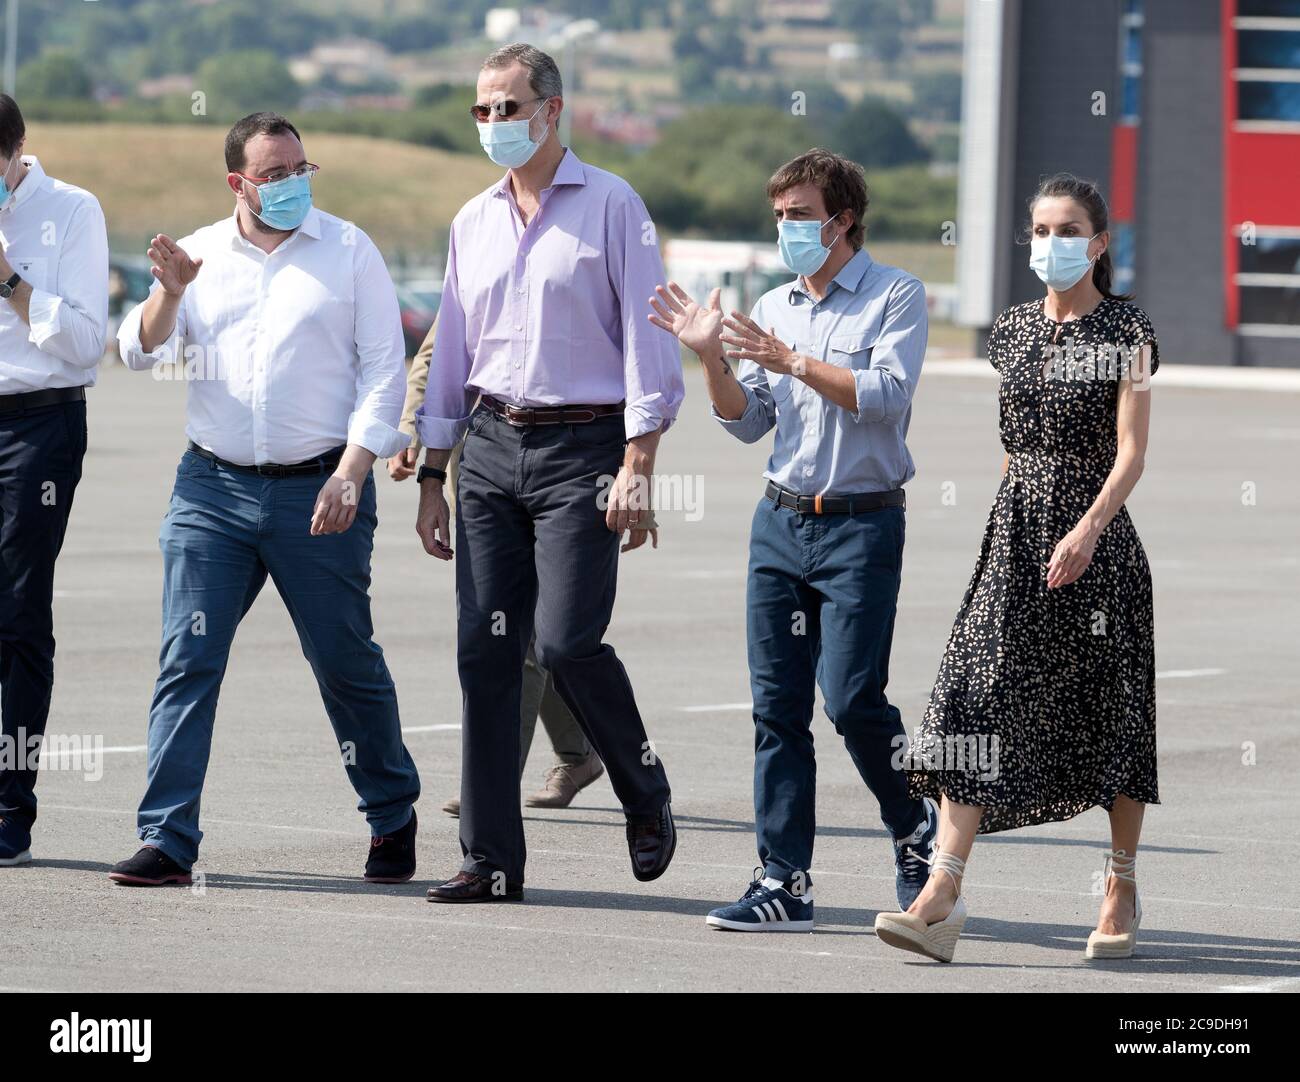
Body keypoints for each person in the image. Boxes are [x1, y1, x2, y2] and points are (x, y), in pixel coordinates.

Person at [110, 112, 420, 887]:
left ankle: (391, 814)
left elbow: (386, 372)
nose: (291, 184)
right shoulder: (200, 254)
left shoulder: (349, 251)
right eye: (273, 174)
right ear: (237, 182)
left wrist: (351, 471)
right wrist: (170, 296)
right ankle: (167, 838)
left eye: (300, 169)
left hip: (321, 487)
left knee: (344, 661)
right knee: (189, 657)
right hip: (210, 490)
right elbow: (136, 352)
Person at [415, 44, 683, 903]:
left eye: (509, 107)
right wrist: (431, 472)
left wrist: (639, 459)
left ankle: (643, 785)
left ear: (552, 110)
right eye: (482, 110)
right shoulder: (471, 221)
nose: (494, 122)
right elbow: (452, 351)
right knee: (486, 654)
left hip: (585, 448)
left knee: (566, 642)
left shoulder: (613, 206)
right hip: (489, 446)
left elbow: (649, 338)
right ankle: (489, 858)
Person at [875, 173, 1159, 963]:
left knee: (1113, 712)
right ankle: (941, 892)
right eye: (1039, 230)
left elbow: (1131, 453)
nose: (1050, 243)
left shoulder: (1128, 332)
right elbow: (1014, 445)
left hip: (1097, 547)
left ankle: (1121, 884)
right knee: (972, 695)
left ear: (1099, 243)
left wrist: (1088, 528)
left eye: (1068, 230)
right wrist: (1016, 527)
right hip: (1015, 539)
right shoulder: (1010, 332)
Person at [650, 148, 937, 932]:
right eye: (779, 216)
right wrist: (710, 358)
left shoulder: (895, 295)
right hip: (780, 522)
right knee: (777, 709)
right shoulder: (773, 305)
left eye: (802, 215)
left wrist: (793, 361)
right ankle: (785, 880)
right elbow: (747, 422)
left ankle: (913, 823)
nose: (788, 229)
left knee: (851, 698)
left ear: (843, 220)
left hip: (863, 524)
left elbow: (885, 395)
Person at [390, 320, 612, 815]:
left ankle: (491, 781)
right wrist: (410, 425)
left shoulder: (587, 260)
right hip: (482, 468)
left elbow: (628, 373)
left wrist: (638, 483)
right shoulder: (477, 254)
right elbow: (435, 358)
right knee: (520, 631)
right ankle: (578, 756)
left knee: (532, 633)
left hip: (568, 467)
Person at [0, 93, 109, 867]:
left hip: (35, 425)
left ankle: (10, 807)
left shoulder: (69, 212)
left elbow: (83, 345)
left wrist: (9, 279)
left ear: (16, 152)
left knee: (15, 614)